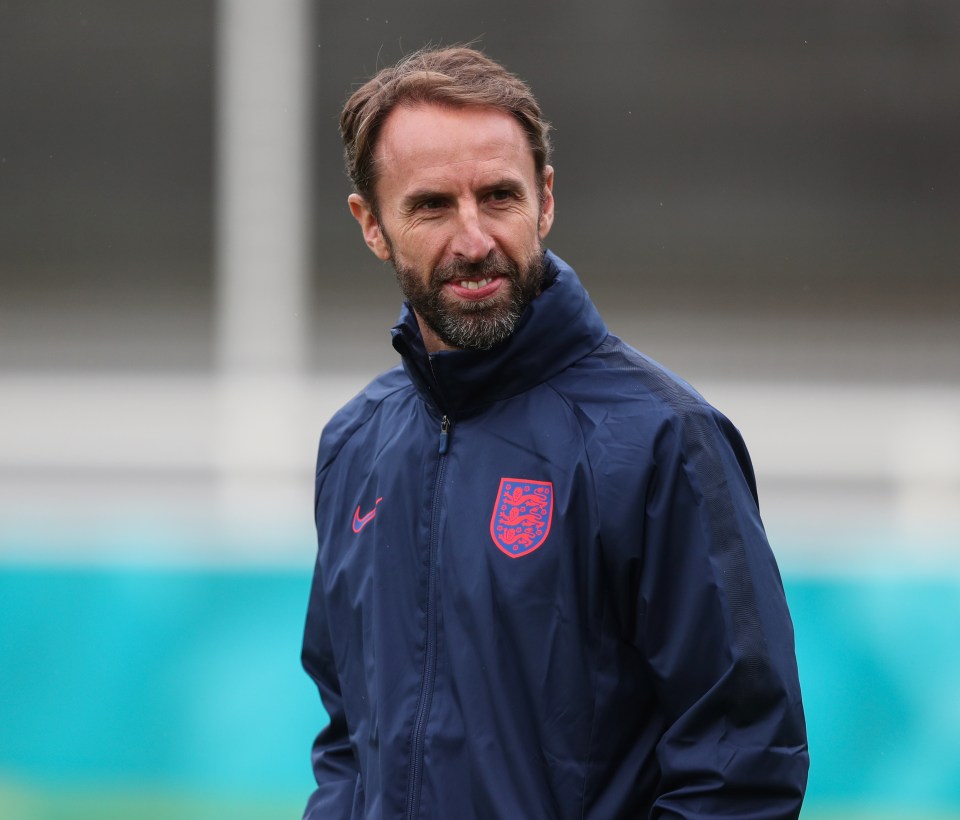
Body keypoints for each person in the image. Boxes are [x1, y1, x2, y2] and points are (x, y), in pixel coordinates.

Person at [301, 46, 808, 819]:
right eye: (432, 205)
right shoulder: (354, 446)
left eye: (498, 196)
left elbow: (739, 769)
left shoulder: (664, 441)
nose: (473, 240)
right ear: (370, 224)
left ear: (544, 200)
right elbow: (348, 736)